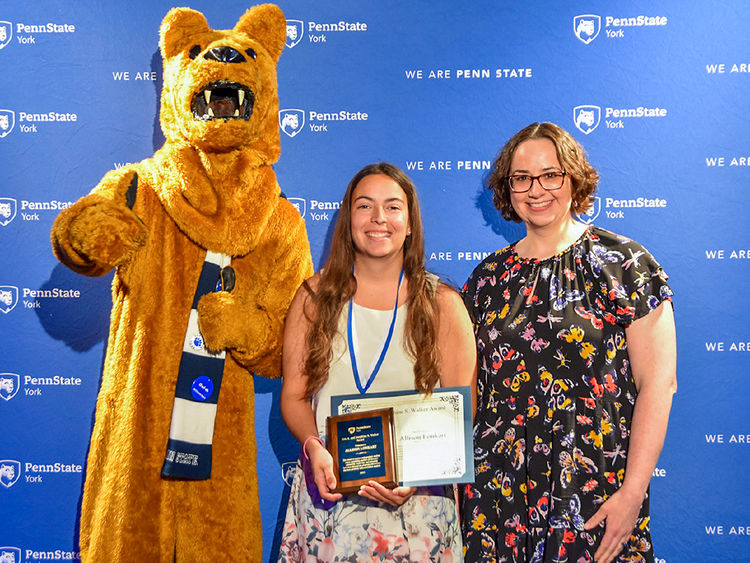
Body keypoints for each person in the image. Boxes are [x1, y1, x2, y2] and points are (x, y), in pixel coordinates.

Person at [460, 123, 676, 563]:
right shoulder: (486, 280)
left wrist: (633, 493)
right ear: (508, 187)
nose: (536, 189)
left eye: (550, 174)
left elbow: (659, 383)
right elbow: (463, 392)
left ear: (574, 178)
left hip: (595, 488)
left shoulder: (623, 264)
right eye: (521, 177)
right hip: (497, 493)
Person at [278, 162, 477, 562]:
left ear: (410, 222)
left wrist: (417, 475)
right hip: (327, 500)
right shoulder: (314, 299)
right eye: (364, 206)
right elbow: (294, 398)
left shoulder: (442, 305)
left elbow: (461, 410)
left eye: (392, 207)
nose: (378, 219)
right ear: (348, 219)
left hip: (418, 509)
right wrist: (313, 446)